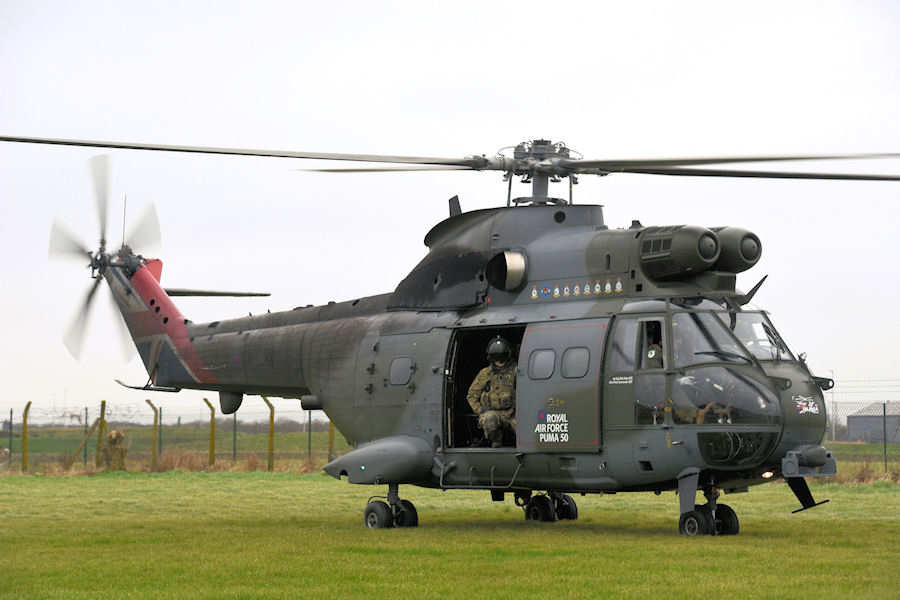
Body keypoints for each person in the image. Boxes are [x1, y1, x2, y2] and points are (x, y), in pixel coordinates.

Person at [467, 336, 517, 448]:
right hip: (492, 413)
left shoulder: (515, 371)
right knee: (489, 419)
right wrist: (480, 410)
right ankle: (496, 442)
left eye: (502, 359)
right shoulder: (485, 374)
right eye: (496, 359)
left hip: (512, 413)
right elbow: (471, 395)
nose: (499, 362)